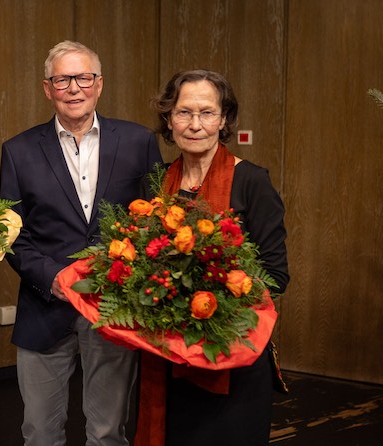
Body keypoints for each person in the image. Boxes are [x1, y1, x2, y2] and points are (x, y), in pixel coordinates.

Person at [0, 40, 163, 446]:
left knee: (107, 432)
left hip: (113, 308)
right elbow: (11, 233)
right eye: (62, 80)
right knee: (39, 432)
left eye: (83, 78)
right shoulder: (18, 151)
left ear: (99, 84)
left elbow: (156, 224)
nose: (74, 88)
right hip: (45, 307)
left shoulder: (139, 141)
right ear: (47, 88)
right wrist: (52, 278)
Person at [145, 69, 289, 445]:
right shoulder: (158, 182)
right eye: (184, 112)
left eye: (207, 113)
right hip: (169, 357)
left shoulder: (252, 181)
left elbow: (276, 275)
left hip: (233, 357)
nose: (195, 125)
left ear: (223, 119)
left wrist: (215, 299)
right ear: (169, 119)